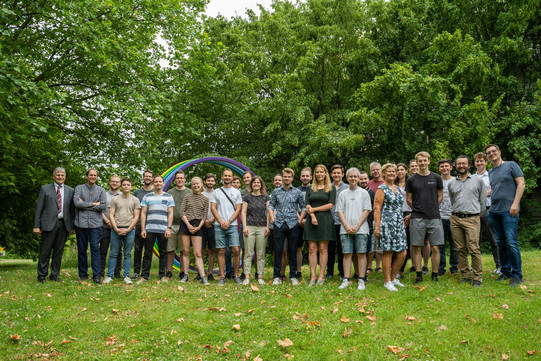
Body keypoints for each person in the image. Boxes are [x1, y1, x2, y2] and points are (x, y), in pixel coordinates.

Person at [485, 144, 525, 287]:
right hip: (494, 211)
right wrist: (479, 193)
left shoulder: (511, 165)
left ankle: (517, 275)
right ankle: (506, 271)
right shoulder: (490, 172)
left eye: (493, 151)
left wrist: (515, 204)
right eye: (488, 153)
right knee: (501, 243)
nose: (491, 154)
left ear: (499, 152)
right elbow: (494, 190)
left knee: (511, 242)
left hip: (509, 210)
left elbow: (521, 184)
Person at [448, 156, 486, 287]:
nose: (461, 166)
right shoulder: (452, 183)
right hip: (455, 218)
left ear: (469, 165)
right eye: (459, 164)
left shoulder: (478, 181)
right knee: (460, 249)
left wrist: (475, 215)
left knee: (474, 249)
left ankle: (477, 277)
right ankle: (465, 275)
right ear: (456, 166)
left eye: (464, 163)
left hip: (472, 218)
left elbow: (482, 202)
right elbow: (452, 200)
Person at [406, 152, 444, 284]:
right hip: (417, 217)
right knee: (417, 247)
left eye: (424, 160)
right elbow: (408, 199)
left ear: (429, 161)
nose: (422, 163)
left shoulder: (436, 178)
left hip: (434, 216)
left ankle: (434, 274)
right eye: (420, 161)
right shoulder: (411, 180)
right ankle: (418, 274)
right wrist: (418, 208)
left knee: (435, 247)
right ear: (417, 162)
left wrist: (432, 207)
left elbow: (440, 196)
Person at [33, 167, 75, 283]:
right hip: (48, 224)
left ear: (65, 176)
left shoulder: (70, 190)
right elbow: (39, 208)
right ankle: (42, 275)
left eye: (62, 175)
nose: (60, 177)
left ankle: (54, 275)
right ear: (53, 176)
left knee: (58, 251)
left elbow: (72, 210)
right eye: (58, 175)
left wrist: (71, 226)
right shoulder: (45, 189)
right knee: (45, 251)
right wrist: (36, 225)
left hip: (63, 225)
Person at [374, 163, 408, 291]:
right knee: (388, 252)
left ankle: (393, 278)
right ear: (384, 174)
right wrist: (377, 227)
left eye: (393, 171)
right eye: (389, 171)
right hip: (387, 224)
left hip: (399, 224)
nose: (392, 173)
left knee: (403, 253)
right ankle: (387, 281)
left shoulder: (398, 188)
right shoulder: (381, 189)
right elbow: (376, 208)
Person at [269, 168, 306, 285]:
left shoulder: (297, 192)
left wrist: (300, 219)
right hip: (279, 223)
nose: (286, 178)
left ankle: (293, 276)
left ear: (292, 178)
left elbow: (304, 207)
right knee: (278, 251)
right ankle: (276, 276)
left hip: (293, 224)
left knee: (293, 250)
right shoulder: (276, 192)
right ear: (282, 177)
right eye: (285, 176)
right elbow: (271, 206)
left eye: (289, 177)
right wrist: (273, 219)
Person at [336, 168, 371, 290]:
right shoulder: (342, 193)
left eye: (355, 176)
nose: (353, 179)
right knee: (347, 254)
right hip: (345, 229)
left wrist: (357, 226)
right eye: (351, 176)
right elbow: (339, 211)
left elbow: (366, 210)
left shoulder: (364, 193)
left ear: (358, 178)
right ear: (347, 178)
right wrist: (346, 226)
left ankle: (361, 279)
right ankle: (346, 278)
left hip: (361, 229)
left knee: (361, 253)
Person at [303, 164, 336, 286]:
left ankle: (321, 276)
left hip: (325, 219)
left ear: (325, 173)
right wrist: (312, 216)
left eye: (321, 172)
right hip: (312, 220)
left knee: (323, 248)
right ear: (314, 174)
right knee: (312, 249)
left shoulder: (331, 188)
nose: (319, 174)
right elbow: (307, 203)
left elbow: (330, 205)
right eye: (317, 172)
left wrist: (315, 210)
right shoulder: (310, 188)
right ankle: (313, 276)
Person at [103, 178, 141, 285]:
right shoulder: (115, 199)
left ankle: (126, 276)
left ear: (131, 187)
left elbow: (136, 217)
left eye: (128, 185)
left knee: (128, 254)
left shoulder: (135, 200)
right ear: (121, 186)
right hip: (116, 229)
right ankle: (109, 275)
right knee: (113, 253)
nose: (126, 186)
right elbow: (111, 215)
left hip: (130, 230)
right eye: (124, 185)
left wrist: (129, 229)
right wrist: (116, 228)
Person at [74, 168, 107, 284]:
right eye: (91, 175)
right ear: (87, 176)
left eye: (95, 175)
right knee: (82, 250)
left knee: (95, 249)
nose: (93, 177)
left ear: (97, 177)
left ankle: (96, 275)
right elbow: (76, 203)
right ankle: (83, 274)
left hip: (96, 225)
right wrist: (93, 204)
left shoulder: (101, 190)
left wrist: (84, 205)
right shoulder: (79, 188)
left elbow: (103, 206)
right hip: (80, 224)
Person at [139, 175, 174, 283]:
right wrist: (143, 229)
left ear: (163, 183)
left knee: (163, 253)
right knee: (147, 252)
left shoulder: (168, 197)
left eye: (160, 182)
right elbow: (143, 213)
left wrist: (169, 228)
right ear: (153, 183)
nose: (158, 183)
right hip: (149, 229)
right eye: (156, 182)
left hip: (163, 229)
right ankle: (144, 276)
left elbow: (171, 213)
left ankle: (162, 275)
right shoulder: (147, 197)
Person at [210, 169, 243, 285]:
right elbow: (213, 208)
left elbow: (238, 208)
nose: (228, 178)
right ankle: (222, 276)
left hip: (232, 225)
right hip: (219, 225)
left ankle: (236, 275)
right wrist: (221, 221)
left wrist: (229, 221)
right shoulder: (216, 192)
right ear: (222, 177)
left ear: (232, 177)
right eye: (226, 176)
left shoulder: (236, 192)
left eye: (229, 176)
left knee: (235, 250)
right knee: (221, 250)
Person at [472, 152, 501, 274]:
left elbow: (495, 190)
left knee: (493, 240)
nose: (479, 163)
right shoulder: (472, 178)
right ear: (474, 163)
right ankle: (475, 266)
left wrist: (482, 194)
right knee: (474, 241)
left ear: (486, 162)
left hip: (489, 210)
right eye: (477, 161)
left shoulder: (491, 175)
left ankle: (499, 266)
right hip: (474, 212)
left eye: (481, 161)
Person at [179, 177, 209, 284]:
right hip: (186, 223)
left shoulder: (205, 199)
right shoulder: (187, 197)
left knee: (198, 253)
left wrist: (199, 227)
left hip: (198, 225)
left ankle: (203, 277)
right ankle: (185, 275)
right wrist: (187, 224)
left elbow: (204, 216)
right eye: (193, 184)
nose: (195, 186)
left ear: (201, 185)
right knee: (186, 251)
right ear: (191, 185)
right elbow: (181, 212)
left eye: (197, 184)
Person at [241, 176, 270, 285]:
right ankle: (247, 276)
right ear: (251, 184)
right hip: (249, 226)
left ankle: (260, 276)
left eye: (258, 183)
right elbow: (243, 212)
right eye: (254, 183)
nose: (256, 184)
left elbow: (268, 212)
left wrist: (267, 226)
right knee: (248, 252)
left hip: (262, 227)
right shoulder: (247, 197)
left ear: (261, 184)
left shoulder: (266, 197)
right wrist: (244, 226)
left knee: (261, 252)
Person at [166, 170, 191, 281]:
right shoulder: (170, 193)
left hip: (184, 225)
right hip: (171, 224)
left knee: (183, 250)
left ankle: (182, 271)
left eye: (182, 178)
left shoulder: (190, 192)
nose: (180, 180)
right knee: (170, 249)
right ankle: (169, 271)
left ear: (185, 179)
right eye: (178, 178)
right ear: (175, 180)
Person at [131, 170, 154, 279]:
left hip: (151, 225)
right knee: (138, 249)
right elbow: (133, 208)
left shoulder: (156, 192)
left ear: (152, 178)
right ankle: (136, 271)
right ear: (143, 178)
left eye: (150, 176)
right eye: (146, 176)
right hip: (138, 224)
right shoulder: (137, 192)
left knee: (148, 250)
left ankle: (146, 273)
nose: (148, 178)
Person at [438, 159, 458, 276]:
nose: (444, 168)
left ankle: (454, 268)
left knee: (454, 245)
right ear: (439, 169)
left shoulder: (456, 180)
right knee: (440, 245)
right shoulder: (436, 180)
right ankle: (441, 268)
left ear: (451, 167)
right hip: (439, 216)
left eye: (446, 166)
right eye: (442, 166)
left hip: (453, 216)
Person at [328, 164, 348, 280]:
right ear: (331, 174)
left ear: (342, 174)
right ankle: (329, 272)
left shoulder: (347, 187)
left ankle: (342, 272)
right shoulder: (327, 187)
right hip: (329, 222)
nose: (336, 175)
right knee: (329, 248)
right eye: (334, 173)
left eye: (338, 173)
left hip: (342, 222)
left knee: (342, 248)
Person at [99, 175, 121, 279]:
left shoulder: (123, 195)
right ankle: (100, 272)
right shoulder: (104, 195)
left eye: (117, 182)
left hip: (119, 227)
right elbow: (100, 210)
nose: (115, 183)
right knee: (103, 250)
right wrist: (108, 221)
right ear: (110, 182)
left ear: (120, 183)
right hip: (105, 226)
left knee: (118, 251)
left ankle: (117, 273)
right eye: (113, 181)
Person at [395, 163, 411, 278]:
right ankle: (393, 269)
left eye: (402, 169)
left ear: (406, 171)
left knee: (406, 243)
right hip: (395, 215)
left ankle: (401, 271)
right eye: (397, 170)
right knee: (395, 243)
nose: (399, 172)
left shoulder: (411, 183)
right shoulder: (392, 184)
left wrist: (411, 214)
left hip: (408, 214)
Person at [358, 171, 375, 281]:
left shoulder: (373, 193)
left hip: (368, 225)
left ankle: (365, 272)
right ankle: (357, 272)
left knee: (367, 250)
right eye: (361, 179)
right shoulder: (355, 192)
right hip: (355, 225)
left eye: (365, 179)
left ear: (369, 180)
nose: (363, 181)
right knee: (358, 251)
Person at [201, 173, 217, 281]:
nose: (210, 182)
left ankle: (210, 273)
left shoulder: (218, 193)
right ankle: (200, 272)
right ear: (205, 182)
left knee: (212, 249)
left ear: (214, 182)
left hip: (214, 224)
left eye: (212, 180)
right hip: (201, 225)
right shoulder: (201, 194)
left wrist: (211, 220)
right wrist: (204, 221)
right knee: (200, 250)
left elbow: (219, 209)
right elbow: (198, 209)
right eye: (208, 180)